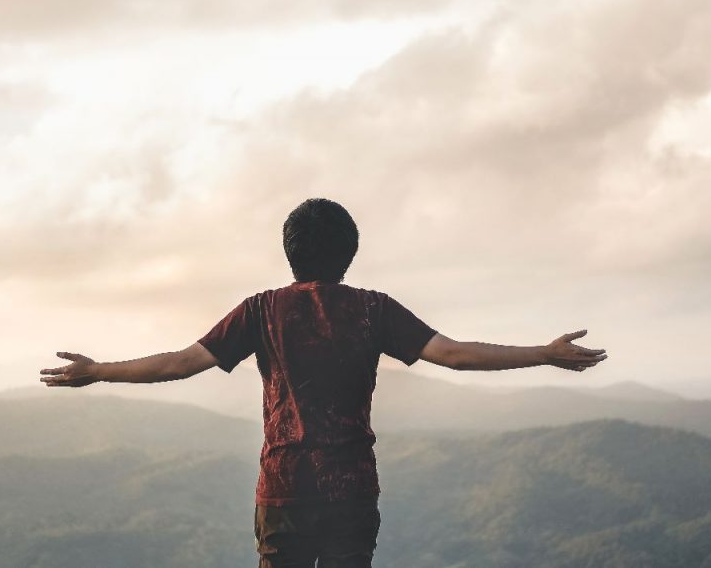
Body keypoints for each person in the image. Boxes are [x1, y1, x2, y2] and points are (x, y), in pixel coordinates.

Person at [40, 197, 608, 567]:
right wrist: (545, 353)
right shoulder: (373, 310)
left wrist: (97, 371)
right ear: (350, 253)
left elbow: (178, 364)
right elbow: (455, 355)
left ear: (289, 253)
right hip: (350, 487)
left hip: (283, 485)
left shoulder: (261, 310)